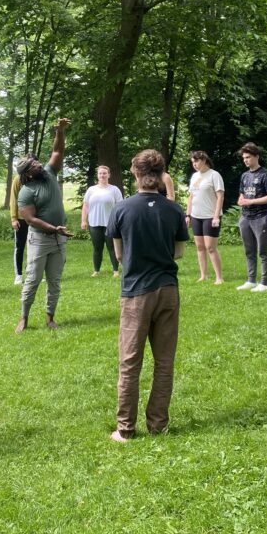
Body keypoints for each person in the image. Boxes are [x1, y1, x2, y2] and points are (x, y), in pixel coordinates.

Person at [106, 149, 189, 442]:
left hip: (136, 293)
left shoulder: (122, 209)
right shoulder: (174, 210)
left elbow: (118, 254)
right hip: (168, 290)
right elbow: (178, 253)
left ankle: (125, 429)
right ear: (160, 174)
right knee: (164, 361)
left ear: (136, 174)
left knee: (130, 362)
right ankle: (158, 424)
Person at [16, 117, 72, 333]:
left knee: (55, 282)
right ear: (28, 173)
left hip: (59, 238)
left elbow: (57, 153)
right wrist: (52, 228)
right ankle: (24, 317)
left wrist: (60, 131)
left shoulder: (49, 174)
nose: (39, 164)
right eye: (34, 165)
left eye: (38, 163)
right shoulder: (26, 190)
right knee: (32, 280)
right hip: (39, 239)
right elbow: (30, 219)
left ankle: (50, 318)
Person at [236, 143, 267, 292]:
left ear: (256, 156)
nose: (245, 160)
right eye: (244, 158)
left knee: (263, 251)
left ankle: (265, 283)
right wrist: (241, 200)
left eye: (248, 157)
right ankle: (251, 280)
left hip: (261, 217)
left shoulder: (265, 174)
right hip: (245, 217)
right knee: (249, 251)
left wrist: (252, 201)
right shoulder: (244, 175)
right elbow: (242, 193)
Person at [186, 150, 224, 284]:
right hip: (196, 216)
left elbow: (220, 196)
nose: (194, 164)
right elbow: (191, 196)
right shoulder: (194, 176)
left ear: (204, 160)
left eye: (196, 161)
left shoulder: (214, 175)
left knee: (210, 247)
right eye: (192, 162)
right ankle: (203, 275)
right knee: (200, 247)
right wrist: (188, 214)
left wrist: (216, 217)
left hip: (210, 216)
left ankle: (219, 277)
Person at [81, 165, 124, 277]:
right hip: (94, 223)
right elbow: (85, 205)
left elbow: (120, 207)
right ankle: (96, 270)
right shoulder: (91, 190)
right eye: (100, 173)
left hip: (110, 224)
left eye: (104, 173)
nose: (102, 175)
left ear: (109, 175)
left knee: (112, 247)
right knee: (97, 248)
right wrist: (83, 221)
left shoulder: (114, 189)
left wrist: (119, 221)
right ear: (97, 175)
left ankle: (115, 270)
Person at [9, 173, 26, 285]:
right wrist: (14, 218)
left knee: (34, 247)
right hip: (21, 219)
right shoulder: (18, 179)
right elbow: (13, 199)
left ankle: (33, 273)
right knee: (19, 247)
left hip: (35, 218)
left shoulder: (37, 178)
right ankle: (18, 275)